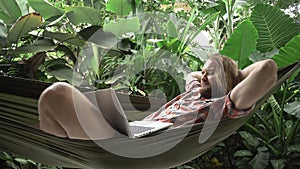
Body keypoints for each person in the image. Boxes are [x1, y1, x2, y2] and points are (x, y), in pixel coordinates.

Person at [38, 53, 277, 140]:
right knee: (48, 102)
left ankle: (78, 147)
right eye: (203, 72)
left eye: (210, 74)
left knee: (58, 93)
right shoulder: (194, 91)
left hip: (134, 146)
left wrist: (234, 76)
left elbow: (267, 69)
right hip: (128, 131)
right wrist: (211, 73)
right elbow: (194, 74)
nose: (202, 76)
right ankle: (71, 150)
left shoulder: (224, 106)